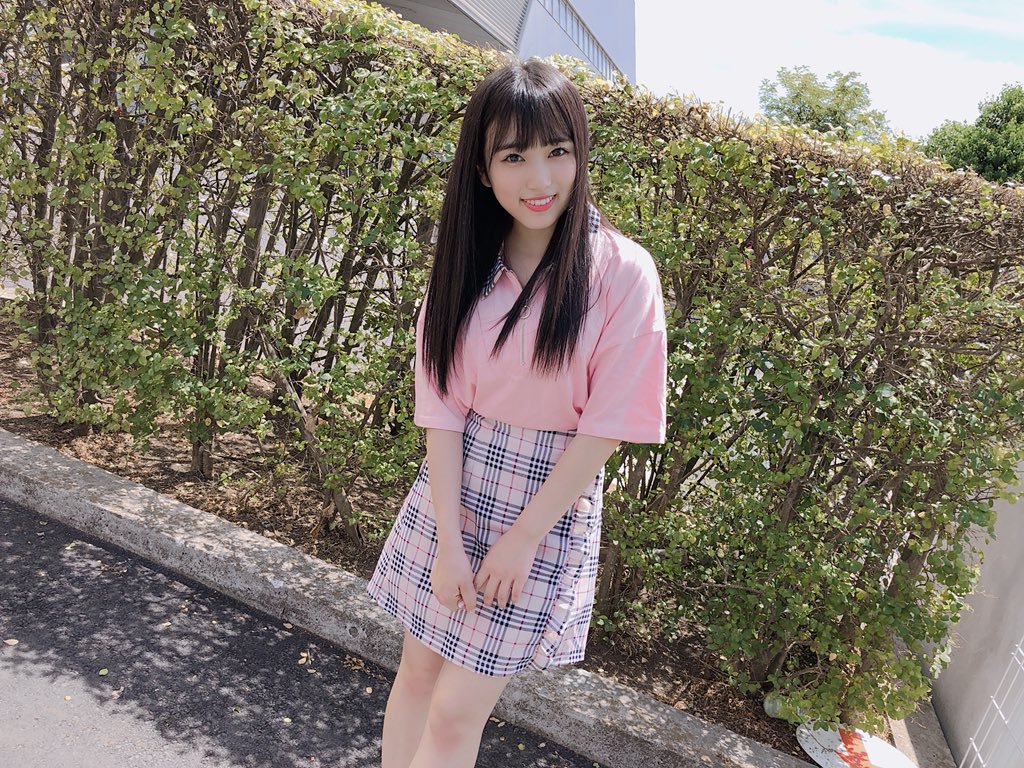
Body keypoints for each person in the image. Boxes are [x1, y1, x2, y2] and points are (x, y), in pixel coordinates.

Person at [366, 57, 667, 768]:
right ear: (482, 168)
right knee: (417, 675)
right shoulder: (465, 265)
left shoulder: (622, 271)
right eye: (513, 157)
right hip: (454, 490)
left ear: (581, 153)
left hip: (546, 505)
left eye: (557, 151)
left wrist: (524, 537)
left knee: (455, 712)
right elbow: (442, 411)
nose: (540, 178)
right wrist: (448, 539)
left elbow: (607, 425)